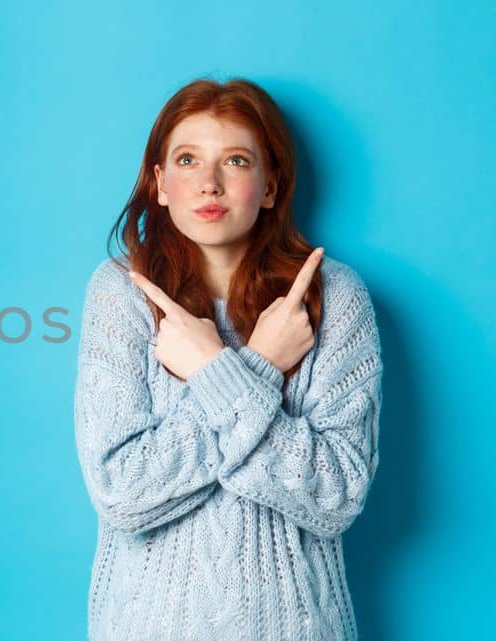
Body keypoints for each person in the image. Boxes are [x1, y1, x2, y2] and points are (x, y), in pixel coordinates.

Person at [73, 77, 384, 641]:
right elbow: (122, 491)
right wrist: (261, 363)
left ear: (270, 186)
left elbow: (336, 496)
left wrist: (217, 370)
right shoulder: (122, 292)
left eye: (236, 161)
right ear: (161, 184)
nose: (209, 184)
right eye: (188, 160)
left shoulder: (333, 295)